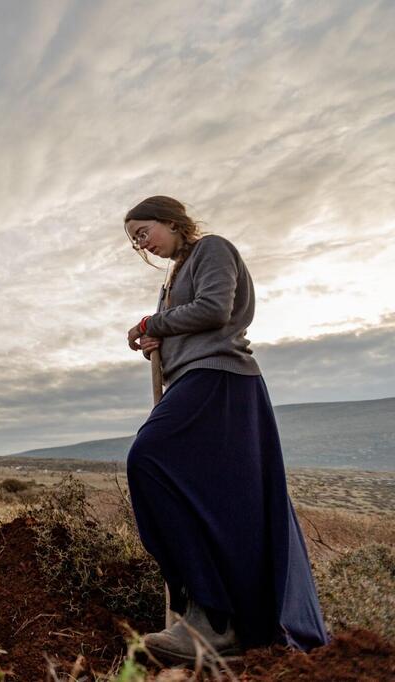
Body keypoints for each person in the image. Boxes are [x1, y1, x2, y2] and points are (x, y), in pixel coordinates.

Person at [122, 196, 328, 662]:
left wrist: (153, 323)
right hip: (192, 384)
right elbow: (184, 321)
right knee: (216, 501)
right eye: (134, 240)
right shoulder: (172, 278)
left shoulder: (211, 249)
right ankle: (213, 616)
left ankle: (213, 618)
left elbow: (215, 308)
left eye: (143, 231)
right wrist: (157, 337)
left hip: (221, 382)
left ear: (172, 221)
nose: (141, 243)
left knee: (148, 458)